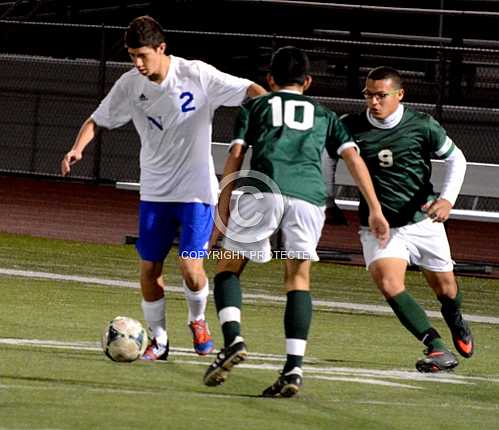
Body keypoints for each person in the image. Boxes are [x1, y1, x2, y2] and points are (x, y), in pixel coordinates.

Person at [60, 16, 266, 361]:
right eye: (131, 56)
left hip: (197, 192)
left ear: (161, 48)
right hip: (155, 192)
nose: (138, 64)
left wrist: (271, 110)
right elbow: (97, 119)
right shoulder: (129, 85)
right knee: (148, 270)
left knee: (190, 267)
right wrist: (78, 147)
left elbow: (249, 89)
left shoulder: (196, 74)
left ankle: (198, 321)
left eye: (143, 55)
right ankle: (160, 340)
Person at [202, 46, 389, 397]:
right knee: (298, 279)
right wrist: (375, 209)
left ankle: (232, 340)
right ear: (308, 81)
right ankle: (293, 368)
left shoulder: (256, 106)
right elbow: (354, 159)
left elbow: (236, 157)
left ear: (269, 79)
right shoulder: (324, 115)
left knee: (228, 267)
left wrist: (222, 213)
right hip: (308, 199)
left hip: (266, 191)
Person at [338, 65, 473, 372]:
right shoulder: (351, 125)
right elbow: (327, 156)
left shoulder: (422, 125)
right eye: (369, 95)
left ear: (399, 95)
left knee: (447, 290)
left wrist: (447, 200)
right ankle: (436, 346)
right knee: (388, 283)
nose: (374, 102)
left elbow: (457, 158)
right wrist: (327, 196)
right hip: (379, 225)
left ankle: (455, 319)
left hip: (423, 220)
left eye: (381, 95)